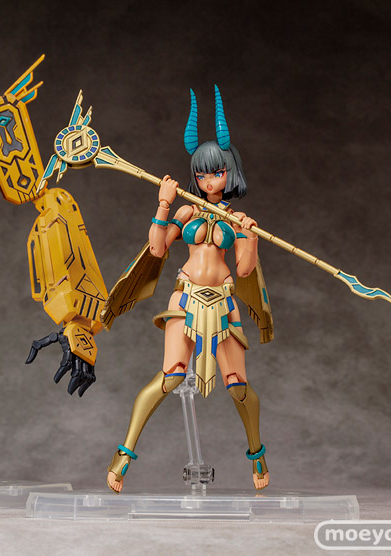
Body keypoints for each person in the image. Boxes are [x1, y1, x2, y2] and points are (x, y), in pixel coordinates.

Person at [106, 87, 270, 492]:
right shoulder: (186, 210)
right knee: (170, 377)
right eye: (201, 174)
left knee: (238, 386)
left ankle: (257, 454)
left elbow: (244, 270)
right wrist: (163, 204)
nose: (208, 180)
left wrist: (250, 238)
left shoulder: (237, 219)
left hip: (224, 302)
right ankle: (123, 455)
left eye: (216, 172)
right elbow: (157, 249)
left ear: (230, 172)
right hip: (186, 298)